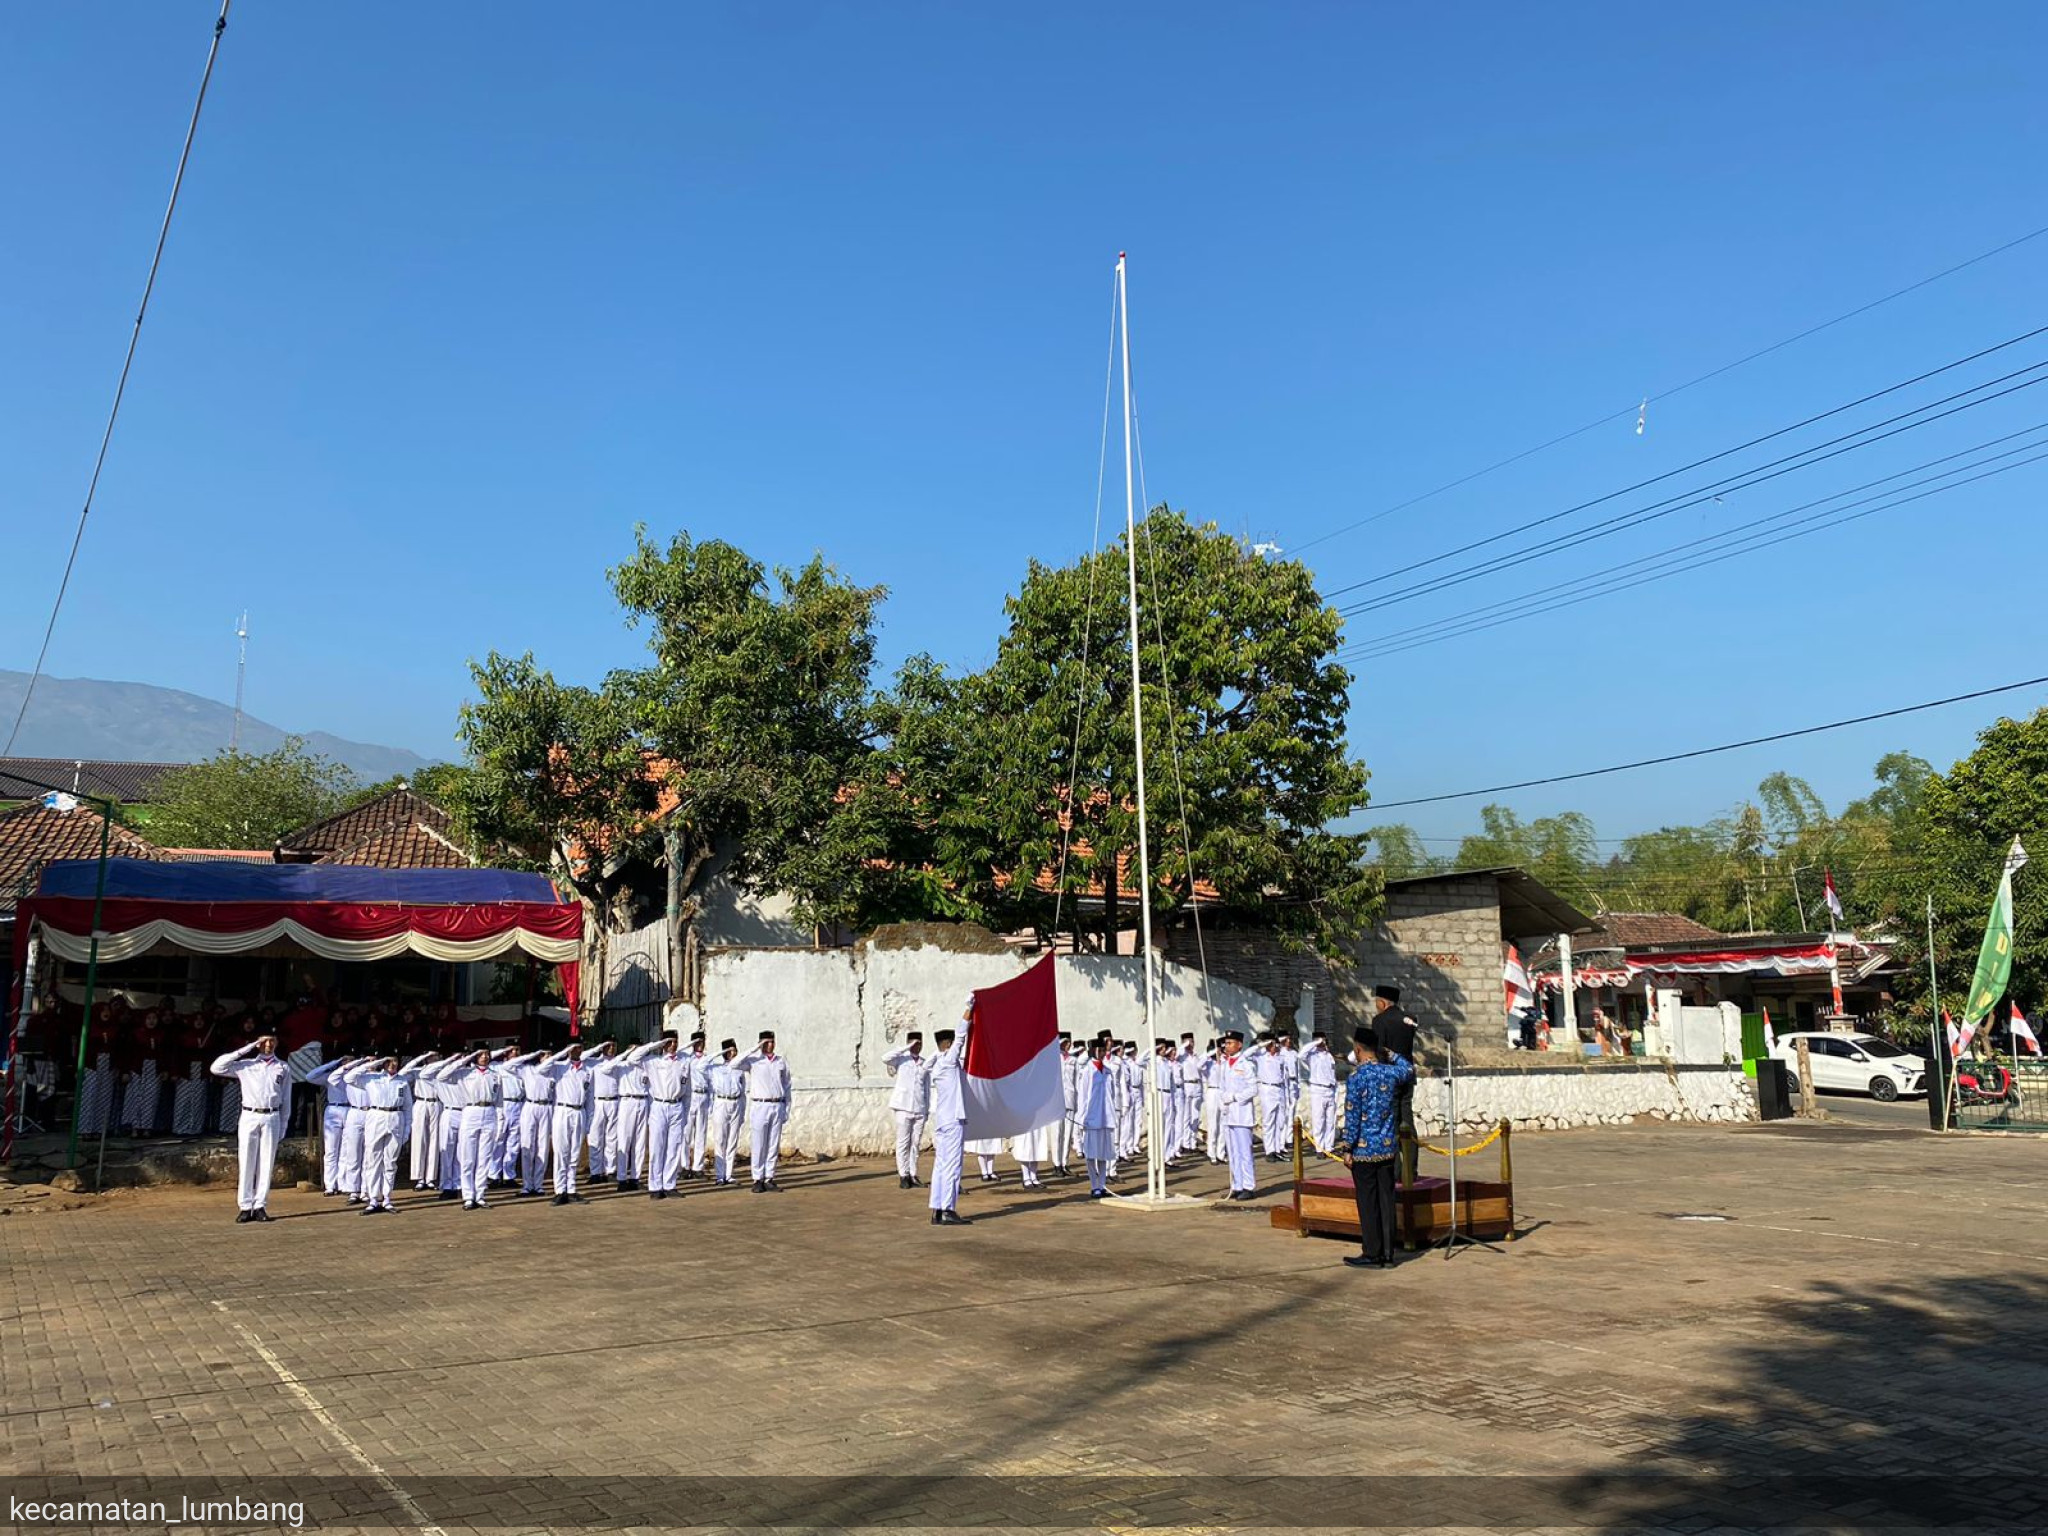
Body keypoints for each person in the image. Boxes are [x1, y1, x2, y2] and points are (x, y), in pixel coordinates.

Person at [1334, 1025, 1417, 1269]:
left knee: (1368, 1202)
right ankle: (1388, 1254)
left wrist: (1347, 1147)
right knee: (1386, 1200)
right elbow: (1409, 1069)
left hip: (1363, 1150)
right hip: (1387, 1146)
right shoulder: (1390, 1073)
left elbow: (1352, 1115)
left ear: (1358, 1049)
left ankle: (1372, 1252)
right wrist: (1391, 1054)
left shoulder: (1357, 1078)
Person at [210, 1033, 289, 1223]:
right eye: (263, 1041)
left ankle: (260, 1204)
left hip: (271, 1115)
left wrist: (284, 1123)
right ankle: (245, 1205)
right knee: (246, 1160)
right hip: (249, 1115)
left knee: (266, 1162)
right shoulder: (245, 1065)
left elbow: (286, 1097)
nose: (268, 1045)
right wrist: (247, 1048)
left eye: (271, 1041)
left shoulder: (283, 1067)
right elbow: (216, 1067)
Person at [433, 1047, 506, 1211]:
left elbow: (500, 1102)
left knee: (484, 1158)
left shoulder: (495, 1075)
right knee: (467, 1158)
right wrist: (465, 1059)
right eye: (481, 1054)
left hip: (489, 1112)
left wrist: (500, 1123)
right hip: (470, 1111)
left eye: (487, 1054)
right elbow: (441, 1076)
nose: (485, 1057)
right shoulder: (465, 1073)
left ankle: (480, 1195)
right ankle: (468, 1196)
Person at [539, 1040, 600, 1204]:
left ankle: (571, 1189)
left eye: (579, 1047)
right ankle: (560, 1190)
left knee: (574, 1153)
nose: (577, 1050)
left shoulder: (587, 1071)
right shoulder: (559, 1067)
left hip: (579, 1112)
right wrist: (562, 1053)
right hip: (562, 1111)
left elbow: (590, 1098)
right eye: (573, 1047)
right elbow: (541, 1069)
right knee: (561, 1152)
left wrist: (589, 1121)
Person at [926, 1006, 972, 1225]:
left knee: (941, 1166)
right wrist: (969, 1008)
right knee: (953, 1165)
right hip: (953, 1119)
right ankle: (948, 1209)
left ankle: (936, 1209)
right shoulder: (948, 1061)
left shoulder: (936, 1066)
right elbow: (962, 1034)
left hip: (943, 1120)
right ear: (947, 1045)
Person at [733, 1031, 793, 1192]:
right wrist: (754, 1048)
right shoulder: (753, 1061)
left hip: (777, 1104)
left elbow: (787, 1086)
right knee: (759, 1143)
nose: (770, 1045)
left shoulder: (781, 1061)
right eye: (766, 1042)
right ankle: (757, 1178)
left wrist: (787, 1108)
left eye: (772, 1041)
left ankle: (769, 1177)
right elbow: (734, 1064)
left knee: (773, 1144)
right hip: (760, 1105)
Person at [1371, 985, 1419, 1175]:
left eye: (1377, 1002)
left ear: (1382, 1002)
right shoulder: (1410, 1020)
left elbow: (1380, 1050)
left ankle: (1396, 1171)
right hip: (1407, 1074)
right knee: (1407, 1120)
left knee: (1390, 1123)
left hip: (1388, 1077)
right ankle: (1411, 1169)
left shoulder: (1380, 1021)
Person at [642, 1034, 689, 1200]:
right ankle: (655, 1186)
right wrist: (656, 1044)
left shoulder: (683, 1062)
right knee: (657, 1147)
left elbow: (687, 1091)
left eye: (675, 1041)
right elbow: (634, 1057)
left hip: (676, 1105)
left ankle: (669, 1184)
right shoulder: (653, 1062)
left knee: (673, 1147)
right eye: (669, 1042)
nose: (673, 1045)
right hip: (659, 1105)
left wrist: (686, 1113)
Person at [305, 1054, 358, 1197]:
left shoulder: (356, 1076)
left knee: (346, 1150)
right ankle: (330, 1185)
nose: (347, 1064)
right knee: (331, 1150)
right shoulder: (332, 1075)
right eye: (345, 1061)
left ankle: (343, 1183)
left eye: (350, 1062)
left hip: (350, 1109)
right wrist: (334, 1061)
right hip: (333, 1109)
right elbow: (310, 1076)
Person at [883, 1031, 931, 1188]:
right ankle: (903, 1174)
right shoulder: (901, 1060)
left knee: (915, 1143)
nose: (917, 1047)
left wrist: (927, 1109)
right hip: (903, 1106)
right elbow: (885, 1058)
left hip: (919, 1108)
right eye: (915, 1044)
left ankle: (913, 1173)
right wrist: (905, 1047)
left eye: (919, 1044)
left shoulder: (924, 1063)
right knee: (903, 1142)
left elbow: (927, 1088)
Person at [610, 1039, 659, 1192]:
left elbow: (651, 1088)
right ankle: (622, 1178)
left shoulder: (646, 1066)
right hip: (627, 1101)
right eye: (633, 1049)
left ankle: (635, 1178)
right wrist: (625, 1054)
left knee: (639, 1143)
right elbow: (606, 1068)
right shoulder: (622, 1065)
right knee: (625, 1140)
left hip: (642, 1101)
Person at [1216, 1029, 1259, 1200]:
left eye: (1230, 1043)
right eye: (1226, 1043)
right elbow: (1222, 1088)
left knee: (1244, 1152)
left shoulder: (1246, 1064)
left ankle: (1248, 1186)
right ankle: (1237, 1184)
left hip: (1242, 1114)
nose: (1227, 1046)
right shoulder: (1225, 1065)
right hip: (1229, 1114)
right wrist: (1223, 1102)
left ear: (1239, 1045)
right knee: (1232, 1152)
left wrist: (1234, 1097)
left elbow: (1253, 1089)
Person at [1074, 1037, 1117, 1197]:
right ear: (1093, 1051)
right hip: (1091, 1118)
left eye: (1103, 1050)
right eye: (1099, 1050)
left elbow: (1112, 1094)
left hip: (1106, 1117)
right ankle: (1094, 1186)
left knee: (1104, 1154)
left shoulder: (1107, 1071)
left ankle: (1102, 1184)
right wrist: (1081, 1119)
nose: (1102, 1053)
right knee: (1091, 1154)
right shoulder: (1087, 1072)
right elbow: (1083, 1097)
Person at [706, 1039, 746, 1186]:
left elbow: (743, 1093)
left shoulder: (740, 1070)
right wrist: (720, 1053)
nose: (733, 1053)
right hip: (721, 1103)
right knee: (720, 1139)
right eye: (730, 1050)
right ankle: (719, 1175)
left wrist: (742, 1111)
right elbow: (701, 1065)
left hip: (735, 1102)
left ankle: (729, 1174)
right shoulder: (715, 1068)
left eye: (735, 1050)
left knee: (732, 1140)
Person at [682, 1032, 715, 1179]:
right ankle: (684, 1166)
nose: (700, 1044)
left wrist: (711, 1102)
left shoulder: (708, 1060)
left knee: (700, 1133)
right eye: (697, 1041)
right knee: (686, 1133)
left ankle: (698, 1167)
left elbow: (712, 1081)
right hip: (690, 1096)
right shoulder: (687, 1059)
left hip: (703, 1095)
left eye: (702, 1041)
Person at [1253, 1034, 1292, 1161]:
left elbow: (1284, 1076)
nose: (1276, 1046)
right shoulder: (1261, 1056)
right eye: (1273, 1044)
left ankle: (1277, 1149)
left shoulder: (1280, 1058)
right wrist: (1263, 1044)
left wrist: (1287, 1094)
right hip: (1267, 1089)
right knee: (1269, 1121)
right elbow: (1247, 1054)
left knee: (1280, 1121)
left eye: (1276, 1044)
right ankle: (1269, 1150)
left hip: (1280, 1089)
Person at [1301, 1031, 1339, 1155]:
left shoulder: (1329, 1055)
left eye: (1324, 1040)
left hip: (1330, 1089)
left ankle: (1329, 1147)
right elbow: (1301, 1055)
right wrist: (1316, 1043)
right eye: (1320, 1040)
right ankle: (1319, 1148)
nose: (1323, 1043)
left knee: (1330, 1121)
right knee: (1319, 1120)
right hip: (1318, 1090)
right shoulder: (1312, 1055)